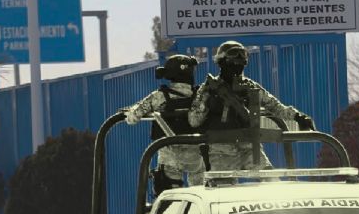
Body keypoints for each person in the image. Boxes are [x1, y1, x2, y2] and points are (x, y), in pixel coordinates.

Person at [188, 41, 315, 170]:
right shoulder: (210, 88)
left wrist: (298, 117)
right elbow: (193, 121)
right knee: (221, 187)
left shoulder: (250, 86)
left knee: (270, 181)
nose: (238, 62)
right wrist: (209, 100)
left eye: (242, 56)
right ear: (222, 60)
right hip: (221, 150)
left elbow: (275, 106)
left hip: (249, 147)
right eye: (234, 56)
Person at [123, 54, 204, 193]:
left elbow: (133, 118)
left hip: (171, 158)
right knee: (201, 196)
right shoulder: (201, 96)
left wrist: (129, 111)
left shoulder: (159, 97)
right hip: (196, 157)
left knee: (170, 202)